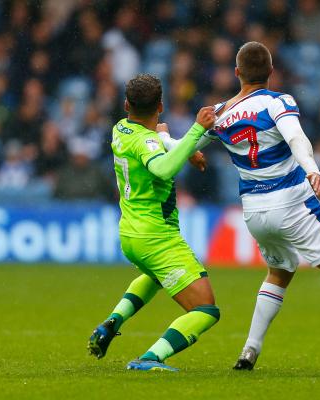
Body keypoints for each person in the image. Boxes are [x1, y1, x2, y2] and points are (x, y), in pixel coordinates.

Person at [158, 42, 320, 376]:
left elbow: (183, 147)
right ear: (271, 72)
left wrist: (164, 137)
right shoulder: (278, 102)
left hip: (254, 212)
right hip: (291, 201)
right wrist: (312, 168)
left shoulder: (219, 112)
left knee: (280, 271)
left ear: (236, 73)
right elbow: (296, 137)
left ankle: (249, 350)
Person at [87, 74, 219, 372]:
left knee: (156, 276)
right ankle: (150, 358)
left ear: (126, 105)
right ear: (160, 106)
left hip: (130, 234)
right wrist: (197, 130)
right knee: (206, 309)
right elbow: (161, 168)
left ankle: (112, 322)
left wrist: (178, 146)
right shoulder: (147, 143)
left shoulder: (120, 128)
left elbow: (154, 139)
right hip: (157, 237)